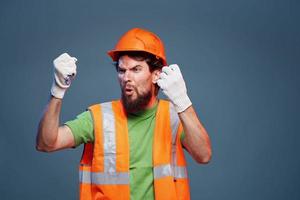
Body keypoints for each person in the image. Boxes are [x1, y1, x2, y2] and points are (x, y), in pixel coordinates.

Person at [36, 27, 212, 200]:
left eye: (136, 69)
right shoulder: (98, 117)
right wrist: (58, 90)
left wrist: (182, 100)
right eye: (122, 70)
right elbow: (46, 143)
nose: (126, 77)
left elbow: (203, 155)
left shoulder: (175, 116)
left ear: (156, 75)